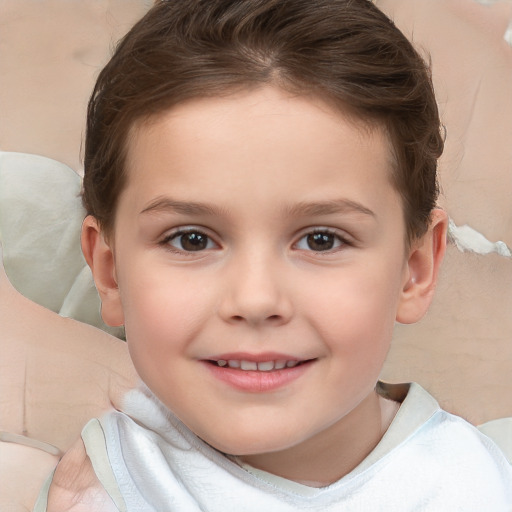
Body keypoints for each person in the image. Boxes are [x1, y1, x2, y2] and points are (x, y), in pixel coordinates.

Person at [34, 0, 512, 510]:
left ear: (415, 270)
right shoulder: (86, 487)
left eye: (321, 239)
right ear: (109, 271)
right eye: (191, 239)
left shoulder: (477, 484)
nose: (256, 299)